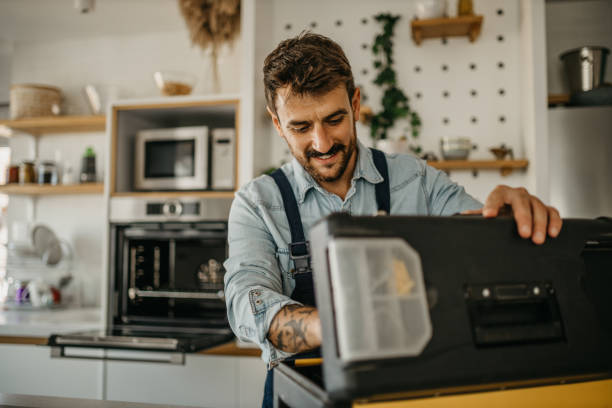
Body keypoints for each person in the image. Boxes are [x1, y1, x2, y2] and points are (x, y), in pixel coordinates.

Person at [223, 32, 562, 407]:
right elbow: (246, 301)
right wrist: (340, 324)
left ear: (355, 103)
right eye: (300, 128)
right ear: (276, 123)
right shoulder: (256, 204)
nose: (321, 143)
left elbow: (474, 244)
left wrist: (502, 223)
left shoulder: (417, 180)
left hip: (414, 392)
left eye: (334, 119)